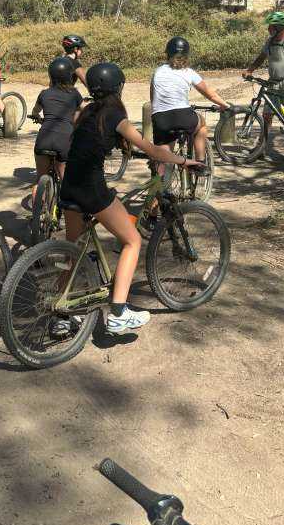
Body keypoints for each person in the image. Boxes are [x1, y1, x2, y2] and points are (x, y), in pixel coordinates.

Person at [60, 62, 201, 336]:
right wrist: (184, 161)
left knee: (72, 251)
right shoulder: (115, 116)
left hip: (70, 186)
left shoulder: (85, 112)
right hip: (91, 189)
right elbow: (152, 149)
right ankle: (119, 312)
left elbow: (89, 144)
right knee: (132, 240)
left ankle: (60, 308)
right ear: (118, 88)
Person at [150, 37, 230, 163]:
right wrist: (225, 105)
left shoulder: (157, 72)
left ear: (168, 54)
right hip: (183, 116)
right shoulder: (189, 72)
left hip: (160, 118)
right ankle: (199, 162)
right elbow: (210, 95)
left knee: (164, 157)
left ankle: (161, 177)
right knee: (202, 125)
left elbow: (153, 98)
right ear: (186, 55)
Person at [30, 57, 84, 188]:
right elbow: (84, 109)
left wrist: (37, 117)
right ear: (70, 76)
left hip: (43, 139)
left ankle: (38, 207)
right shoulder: (74, 94)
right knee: (65, 180)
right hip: (64, 140)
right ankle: (66, 205)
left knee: (39, 179)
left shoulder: (44, 94)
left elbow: (35, 112)